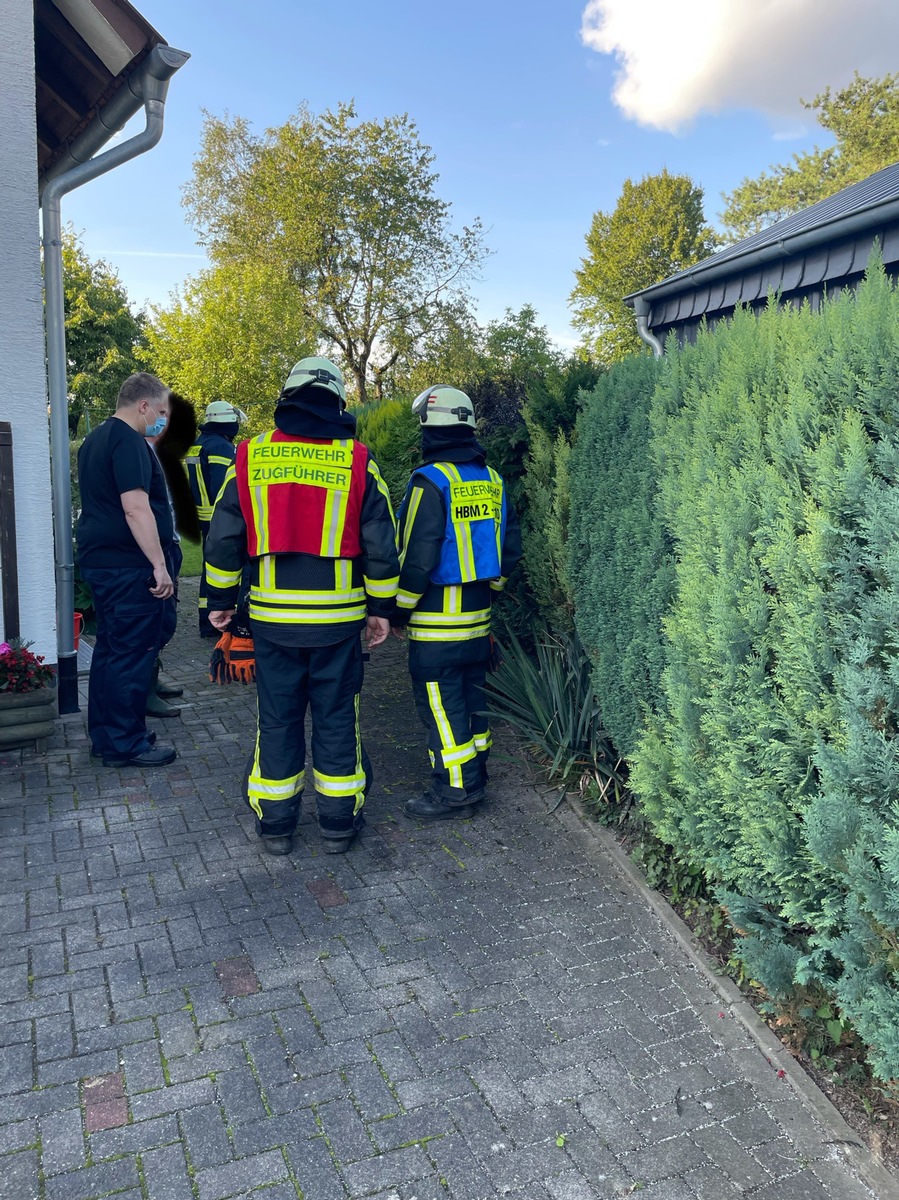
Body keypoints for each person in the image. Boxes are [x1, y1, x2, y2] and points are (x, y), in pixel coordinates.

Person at [204, 357, 400, 856]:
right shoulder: (357, 459)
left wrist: (221, 601)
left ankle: (277, 826)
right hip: (338, 623)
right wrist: (381, 609)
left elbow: (225, 536)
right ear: (336, 401)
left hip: (272, 622)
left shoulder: (249, 456)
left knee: (278, 718)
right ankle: (337, 824)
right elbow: (381, 543)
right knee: (337, 718)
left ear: (286, 398)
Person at [391, 384, 521, 819]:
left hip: (434, 624)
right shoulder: (493, 479)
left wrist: (397, 611)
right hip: (478, 619)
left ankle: (456, 791)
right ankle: (475, 772)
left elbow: (415, 555)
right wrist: (492, 592)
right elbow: (509, 547)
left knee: (442, 709)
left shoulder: (429, 482)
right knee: (471, 699)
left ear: (429, 428)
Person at [75, 372, 177, 767]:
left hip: (102, 563)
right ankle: (126, 744)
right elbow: (136, 507)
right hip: (129, 567)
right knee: (132, 654)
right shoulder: (130, 441)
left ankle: (105, 736)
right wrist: (159, 565)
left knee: (111, 652)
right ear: (144, 405)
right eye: (163, 411)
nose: (163, 421)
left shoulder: (95, 440)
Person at [185, 400, 246, 637]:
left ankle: (206, 621)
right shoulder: (220, 447)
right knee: (227, 568)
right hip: (221, 519)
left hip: (203, 516)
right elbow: (225, 487)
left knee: (209, 568)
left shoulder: (197, 445)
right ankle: (222, 622)